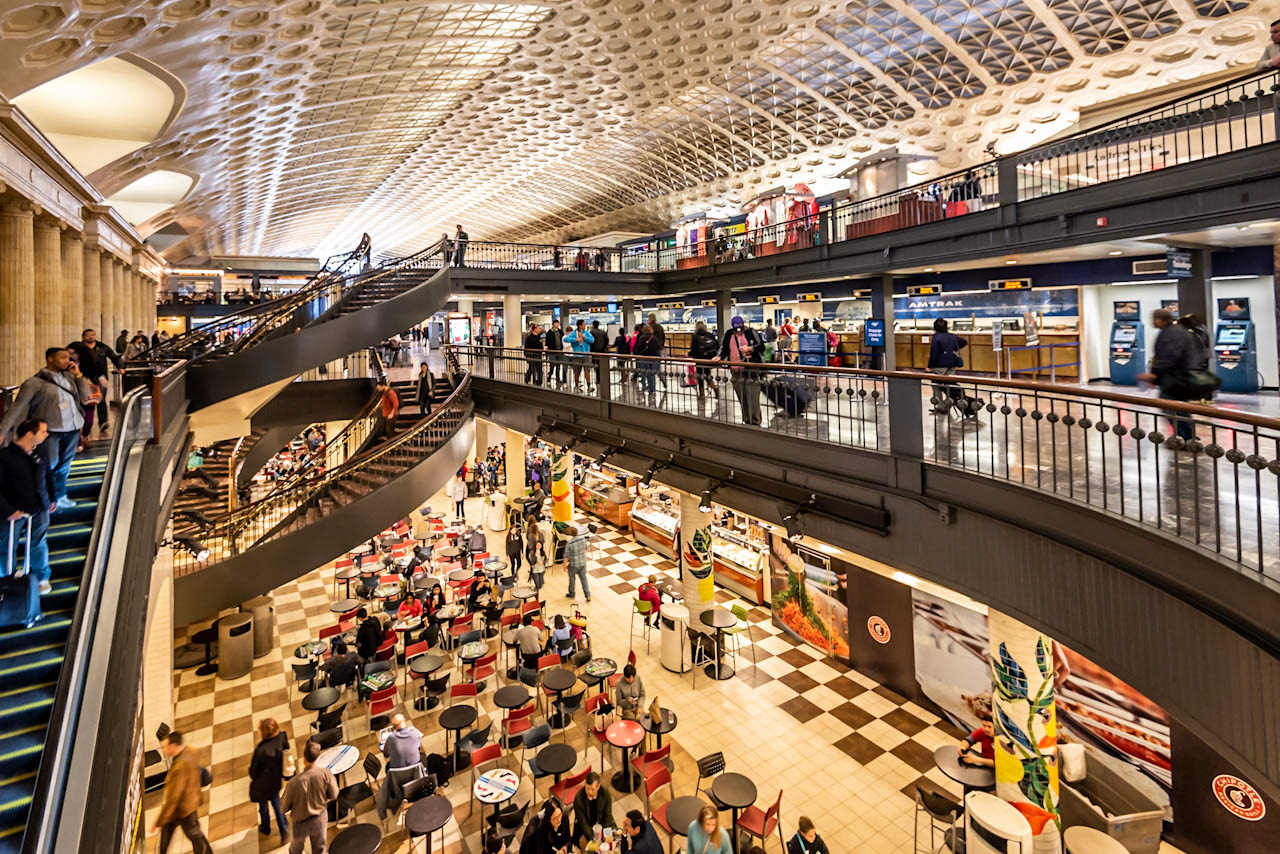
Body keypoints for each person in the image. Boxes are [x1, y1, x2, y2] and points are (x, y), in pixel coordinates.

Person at [0, 348, 93, 511]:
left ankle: (61, 494)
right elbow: (17, 407)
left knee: (65, 464)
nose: (68, 361)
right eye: (63, 357)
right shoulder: (34, 383)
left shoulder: (70, 378)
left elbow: (86, 396)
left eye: (69, 357)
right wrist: (2, 430)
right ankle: (47, 497)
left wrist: (78, 375)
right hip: (50, 430)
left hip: (72, 427)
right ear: (50, 359)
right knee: (50, 464)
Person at [0, 418, 56, 605]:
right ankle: (6, 579)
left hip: (39, 508)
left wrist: (52, 497)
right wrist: (8, 510)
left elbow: (48, 475)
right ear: (29, 434)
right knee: (7, 547)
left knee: (38, 543)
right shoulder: (5, 457)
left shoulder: (40, 452)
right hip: (13, 513)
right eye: (43, 431)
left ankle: (41, 577)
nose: (46, 435)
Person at [1139, 308, 1203, 441]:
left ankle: (1187, 438)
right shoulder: (1176, 331)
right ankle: (1187, 436)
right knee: (1179, 407)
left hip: (1175, 378)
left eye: (1154, 319)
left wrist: (1154, 375)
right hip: (1182, 376)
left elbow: (1168, 357)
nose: (1153, 322)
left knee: (1172, 407)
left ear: (1160, 320)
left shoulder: (1170, 334)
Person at [150, 731, 213, 854]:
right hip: (189, 803)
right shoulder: (190, 752)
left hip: (183, 809)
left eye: (165, 747)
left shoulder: (180, 767)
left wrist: (158, 821)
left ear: (173, 745)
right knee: (191, 834)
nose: (163, 750)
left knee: (194, 835)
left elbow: (173, 797)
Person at [282, 740, 338, 854]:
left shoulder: (293, 783)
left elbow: (284, 807)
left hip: (300, 823)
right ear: (318, 757)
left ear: (304, 758)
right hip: (320, 819)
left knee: (295, 850)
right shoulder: (326, 774)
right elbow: (334, 794)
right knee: (319, 849)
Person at [66, 329, 121, 438]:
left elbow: (112, 358)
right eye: (88, 335)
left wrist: (103, 376)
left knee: (98, 400)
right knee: (80, 405)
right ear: (83, 337)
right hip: (78, 384)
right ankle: (80, 430)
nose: (91, 337)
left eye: (93, 335)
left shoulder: (102, 348)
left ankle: (102, 422)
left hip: (94, 382)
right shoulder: (74, 352)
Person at [717, 316, 764, 426]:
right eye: (736, 328)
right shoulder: (729, 334)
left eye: (740, 328)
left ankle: (755, 421)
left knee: (752, 397)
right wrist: (719, 357)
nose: (738, 330)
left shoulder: (751, 332)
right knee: (742, 396)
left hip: (751, 369)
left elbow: (761, 346)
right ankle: (747, 419)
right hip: (736, 370)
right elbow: (724, 349)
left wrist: (750, 349)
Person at [249, 718, 290, 839]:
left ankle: (266, 828)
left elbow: (253, 771)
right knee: (277, 805)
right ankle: (284, 830)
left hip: (262, 784)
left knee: (263, 807)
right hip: (275, 780)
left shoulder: (260, 750)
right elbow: (286, 749)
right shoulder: (282, 738)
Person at [927, 318, 967, 414]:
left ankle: (941, 407)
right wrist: (952, 349)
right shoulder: (952, 336)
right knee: (949, 386)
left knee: (936, 385)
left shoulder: (936, 337)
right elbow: (964, 342)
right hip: (952, 364)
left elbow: (934, 354)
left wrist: (929, 366)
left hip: (939, 365)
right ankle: (948, 404)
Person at [571, 771, 616, 845]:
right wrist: (594, 839)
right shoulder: (578, 798)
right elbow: (583, 823)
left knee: (612, 843)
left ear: (598, 787)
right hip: (586, 829)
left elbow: (607, 815)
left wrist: (603, 835)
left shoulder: (605, 793)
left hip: (602, 824)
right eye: (587, 788)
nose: (589, 792)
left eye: (592, 789)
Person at [688, 320, 719, 397]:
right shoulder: (710, 335)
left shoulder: (695, 336)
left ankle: (702, 394)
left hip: (699, 360)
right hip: (709, 359)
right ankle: (714, 387)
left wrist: (690, 354)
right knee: (708, 375)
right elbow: (717, 346)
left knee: (700, 376)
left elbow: (694, 349)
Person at [565, 319, 595, 391]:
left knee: (587, 371)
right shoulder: (574, 333)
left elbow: (592, 340)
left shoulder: (586, 333)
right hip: (577, 356)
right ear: (580, 325)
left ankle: (589, 386)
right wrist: (576, 339)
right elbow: (566, 339)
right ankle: (576, 385)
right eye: (584, 324)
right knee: (576, 372)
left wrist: (584, 337)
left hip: (586, 355)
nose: (585, 325)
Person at [632, 324, 661, 394]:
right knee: (652, 374)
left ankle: (644, 386)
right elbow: (658, 348)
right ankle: (652, 389)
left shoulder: (642, 338)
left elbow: (638, 348)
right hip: (653, 359)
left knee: (644, 373)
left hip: (644, 358)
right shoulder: (654, 338)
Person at [564, 524, 590, 601]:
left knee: (572, 579)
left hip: (573, 564)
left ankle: (572, 593)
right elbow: (585, 549)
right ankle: (587, 595)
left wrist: (564, 566)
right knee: (584, 579)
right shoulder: (583, 540)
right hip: (582, 563)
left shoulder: (569, 543)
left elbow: (566, 556)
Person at [545, 319, 565, 385]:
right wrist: (547, 349)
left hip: (559, 351)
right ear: (553, 324)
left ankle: (557, 379)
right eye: (556, 323)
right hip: (552, 351)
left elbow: (563, 340)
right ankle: (549, 375)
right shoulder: (549, 332)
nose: (557, 324)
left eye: (558, 323)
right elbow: (547, 341)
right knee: (552, 365)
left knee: (558, 366)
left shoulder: (561, 332)